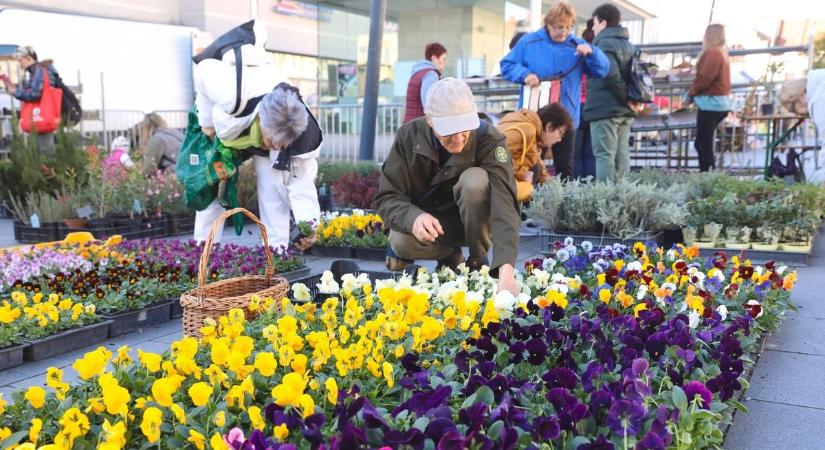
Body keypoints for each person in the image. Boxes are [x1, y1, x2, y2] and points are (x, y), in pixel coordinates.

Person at [376, 78, 521, 295]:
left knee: (474, 180)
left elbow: (505, 203)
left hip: (476, 224)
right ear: (430, 120)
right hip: (432, 227)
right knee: (399, 241)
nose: (459, 139)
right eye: (449, 130)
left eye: (464, 128)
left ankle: (476, 259)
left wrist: (506, 272)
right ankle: (449, 255)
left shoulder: (489, 139)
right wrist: (413, 218)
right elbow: (387, 196)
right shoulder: (408, 136)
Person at [192, 20, 321, 250]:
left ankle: (276, 251)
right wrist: (206, 122)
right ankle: (203, 252)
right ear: (262, 121)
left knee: (274, 186)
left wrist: (309, 225)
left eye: (283, 144)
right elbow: (201, 69)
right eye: (273, 141)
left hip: (253, 129)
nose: (277, 147)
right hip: (226, 128)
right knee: (213, 183)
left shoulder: (302, 133)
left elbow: (301, 180)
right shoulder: (228, 90)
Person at [500, 0, 609, 181]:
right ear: (548, 24)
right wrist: (524, 74)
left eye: (568, 27)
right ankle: (531, 205)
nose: (564, 32)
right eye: (559, 27)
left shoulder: (577, 44)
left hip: (566, 118)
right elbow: (506, 65)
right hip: (535, 119)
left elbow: (602, 70)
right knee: (531, 165)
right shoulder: (529, 42)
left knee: (565, 168)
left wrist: (592, 53)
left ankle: (562, 206)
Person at [584, 3, 640, 182]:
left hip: (605, 109)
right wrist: (630, 100)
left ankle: (606, 200)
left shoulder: (603, 43)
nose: (593, 28)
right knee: (622, 154)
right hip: (625, 110)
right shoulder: (628, 44)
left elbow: (609, 75)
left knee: (604, 155)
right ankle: (624, 196)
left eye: (594, 23)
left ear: (603, 22)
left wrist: (625, 99)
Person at [496, 103, 573, 202]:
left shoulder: (530, 127)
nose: (560, 140)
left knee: (535, 169)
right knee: (530, 185)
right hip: (492, 179)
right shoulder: (526, 130)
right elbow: (498, 159)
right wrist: (522, 174)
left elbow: (536, 160)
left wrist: (553, 185)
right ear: (549, 126)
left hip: (497, 176)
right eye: (561, 133)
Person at [687, 24, 731, 172]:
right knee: (704, 143)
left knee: (702, 144)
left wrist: (691, 93)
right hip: (720, 103)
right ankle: (708, 175)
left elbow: (704, 78)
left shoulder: (712, 52)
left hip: (710, 104)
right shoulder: (722, 53)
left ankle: (707, 177)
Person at [1, 45, 61, 151]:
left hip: (41, 117)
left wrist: (16, 92)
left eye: (21, 61)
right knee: (45, 153)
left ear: (28, 58)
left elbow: (34, 94)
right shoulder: (41, 70)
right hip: (44, 116)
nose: (20, 64)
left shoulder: (39, 71)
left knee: (43, 154)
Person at [574, 19, 597, 180]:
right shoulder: (597, 58)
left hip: (576, 106)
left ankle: (576, 188)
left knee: (575, 153)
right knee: (591, 153)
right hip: (595, 107)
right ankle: (591, 189)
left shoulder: (576, 55)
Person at [404, 42, 447, 123]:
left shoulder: (418, 72)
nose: (445, 63)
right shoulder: (430, 74)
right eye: (443, 59)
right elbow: (428, 104)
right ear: (434, 58)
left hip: (411, 124)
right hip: (420, 125)